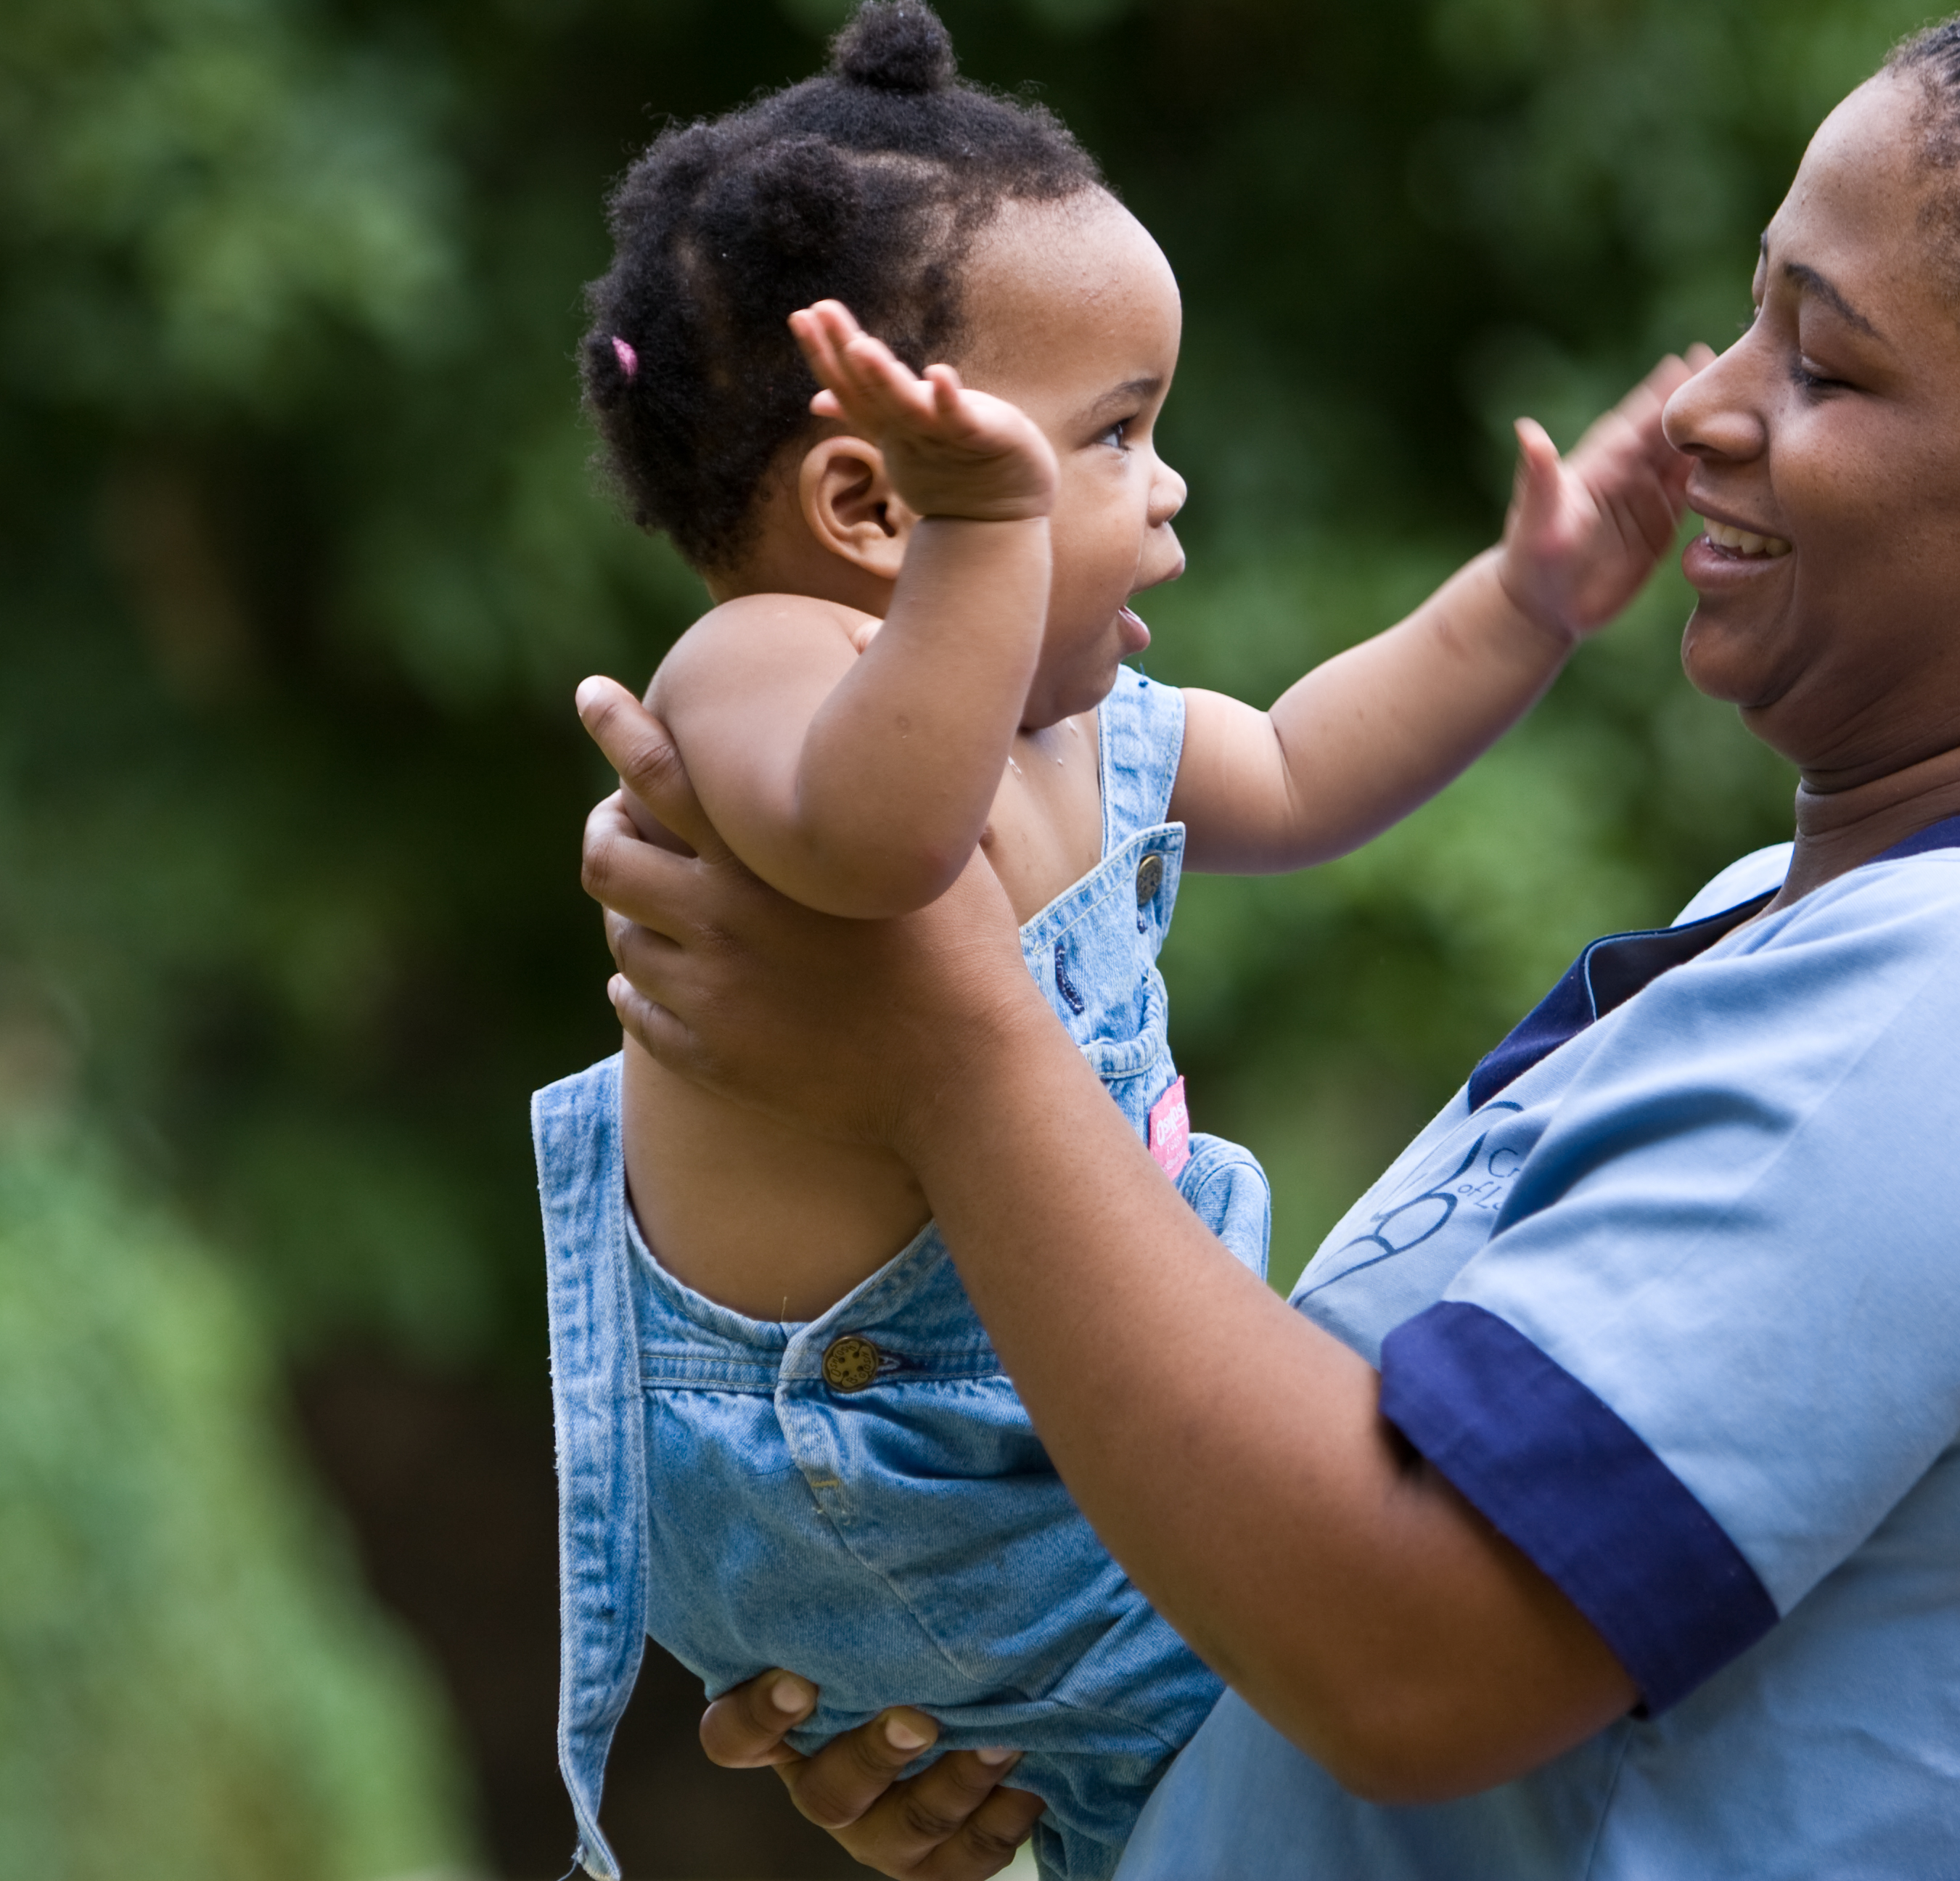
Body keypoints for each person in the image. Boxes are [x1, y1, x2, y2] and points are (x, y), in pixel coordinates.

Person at [574, 0, 1960, 1874]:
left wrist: (935, 1034)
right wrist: (1012, 1684)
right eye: (1754, 315)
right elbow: (1342, 1602)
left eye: (1828, 367)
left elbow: (1410, 1662)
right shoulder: (1784, 933)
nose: (1710, 403)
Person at [536, 5, 1698, 1877]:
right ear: (870, 503)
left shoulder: (1085, 732)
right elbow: (883, 848)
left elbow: (1315, 768)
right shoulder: (765, 673)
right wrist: (988, 541)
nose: (1165, 488)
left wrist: (1528, 601)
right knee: (1250, 1733)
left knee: (1214, 1735)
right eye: (1116, 435)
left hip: (1019, 1436)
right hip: (871, 1456)